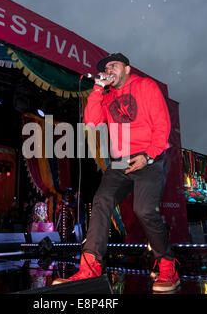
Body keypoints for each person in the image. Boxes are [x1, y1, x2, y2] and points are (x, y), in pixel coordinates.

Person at [52, 53, 179, 292]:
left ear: (128, 69)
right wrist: (98, 89)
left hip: (149, 156)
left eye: (114, 65)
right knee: (101, 200)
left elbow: (163, 124)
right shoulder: (106, 95)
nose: (109, 69)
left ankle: (168, 266)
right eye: (105, 67)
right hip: (120, 161)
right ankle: (89, 268)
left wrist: (149, 155)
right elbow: (90, 122)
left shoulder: (145, 86)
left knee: (144, 210)